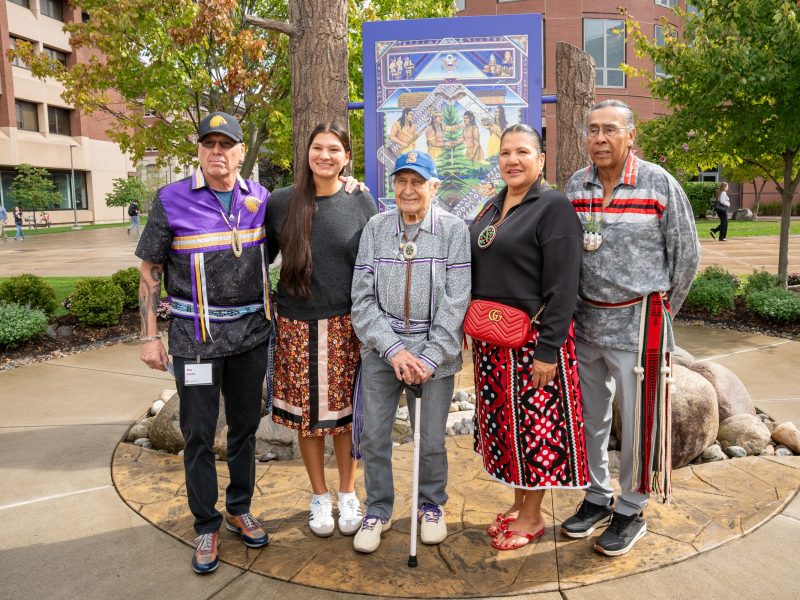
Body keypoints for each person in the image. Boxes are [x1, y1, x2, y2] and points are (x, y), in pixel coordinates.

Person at [135, 111, 273, 574]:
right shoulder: (171, 199)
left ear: (239, 152)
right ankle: (206, 525)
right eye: (209, 144)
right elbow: (150, 269)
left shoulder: (259, 198)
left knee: (244, 428)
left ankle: (239, 507)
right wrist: (150, 335)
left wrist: (349, 187)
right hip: (195, 340)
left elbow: (307, 209)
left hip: (251, 336)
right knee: (197, 435)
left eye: (226, 144)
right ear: (199, 150)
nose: (218, 152)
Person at [563, 100, 700, 557]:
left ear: (630, 137)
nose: (599, 138)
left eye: (609, 130)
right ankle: (598, 496)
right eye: (592, 130)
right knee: (590, 418)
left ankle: (632, 507)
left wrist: (663, 312)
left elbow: (687, 256)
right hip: (585, 323)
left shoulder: (659, 184)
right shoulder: (575, 186)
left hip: (639, 326)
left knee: (640, 422)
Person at [470, 124, 588, 551]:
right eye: (505, 153)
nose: (512, 160)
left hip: (532, 343)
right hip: (492, 341)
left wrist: (548, 349)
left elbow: (563, 284)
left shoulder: (552, 207)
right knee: (507, 429)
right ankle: (519, 503)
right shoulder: (492, 205)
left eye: (522, 152)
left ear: (540, 159)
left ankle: (534, 516)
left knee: (535, 429)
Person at [350, 151, 470, 554]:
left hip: (435, 352)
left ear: (433, 187)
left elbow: (457, 301)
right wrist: (395, 350)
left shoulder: (453, 231)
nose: (408, 189)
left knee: (431, 438)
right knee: (375, 435)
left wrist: (430, 356)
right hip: (384, 351)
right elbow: (362, 299)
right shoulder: (376, 227)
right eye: (401, 181)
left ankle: (431, 505)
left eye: (417, 181)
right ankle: (378, 509)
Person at [266, 123, 377, 538]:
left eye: (335, 149)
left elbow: (377, 257)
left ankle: (348, 492)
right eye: (318, 147)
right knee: (308, 419)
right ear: (306, 152)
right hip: (296, 323)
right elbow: (258, 256)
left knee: (344, 418)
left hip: (347, 324)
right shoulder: (281, 203)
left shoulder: (360, 199)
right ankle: (319, 496)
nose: (325, 155)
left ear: (347, 158)